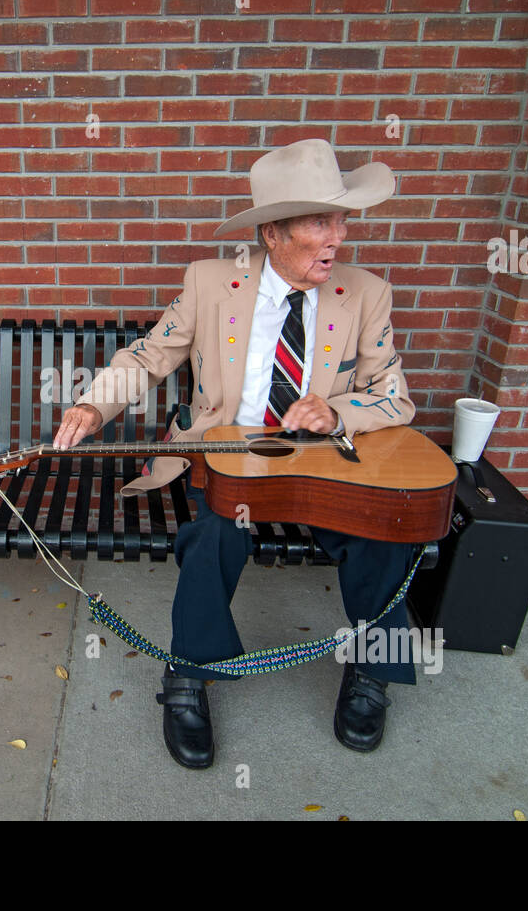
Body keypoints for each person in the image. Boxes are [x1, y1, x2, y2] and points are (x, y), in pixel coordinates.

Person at [52, 138, 419, 769]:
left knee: (385, 532)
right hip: (226, 456)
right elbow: (149, 356)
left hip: (321, 464)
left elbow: (396, 398)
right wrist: (93, 405)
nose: (338, 237)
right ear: (273, 233)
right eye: (320, 222)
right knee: (214, 533)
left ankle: (371, 673)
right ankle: (189, 675)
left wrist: (338, 411)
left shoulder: (364, 292)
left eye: (341, 220)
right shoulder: (209, 282)